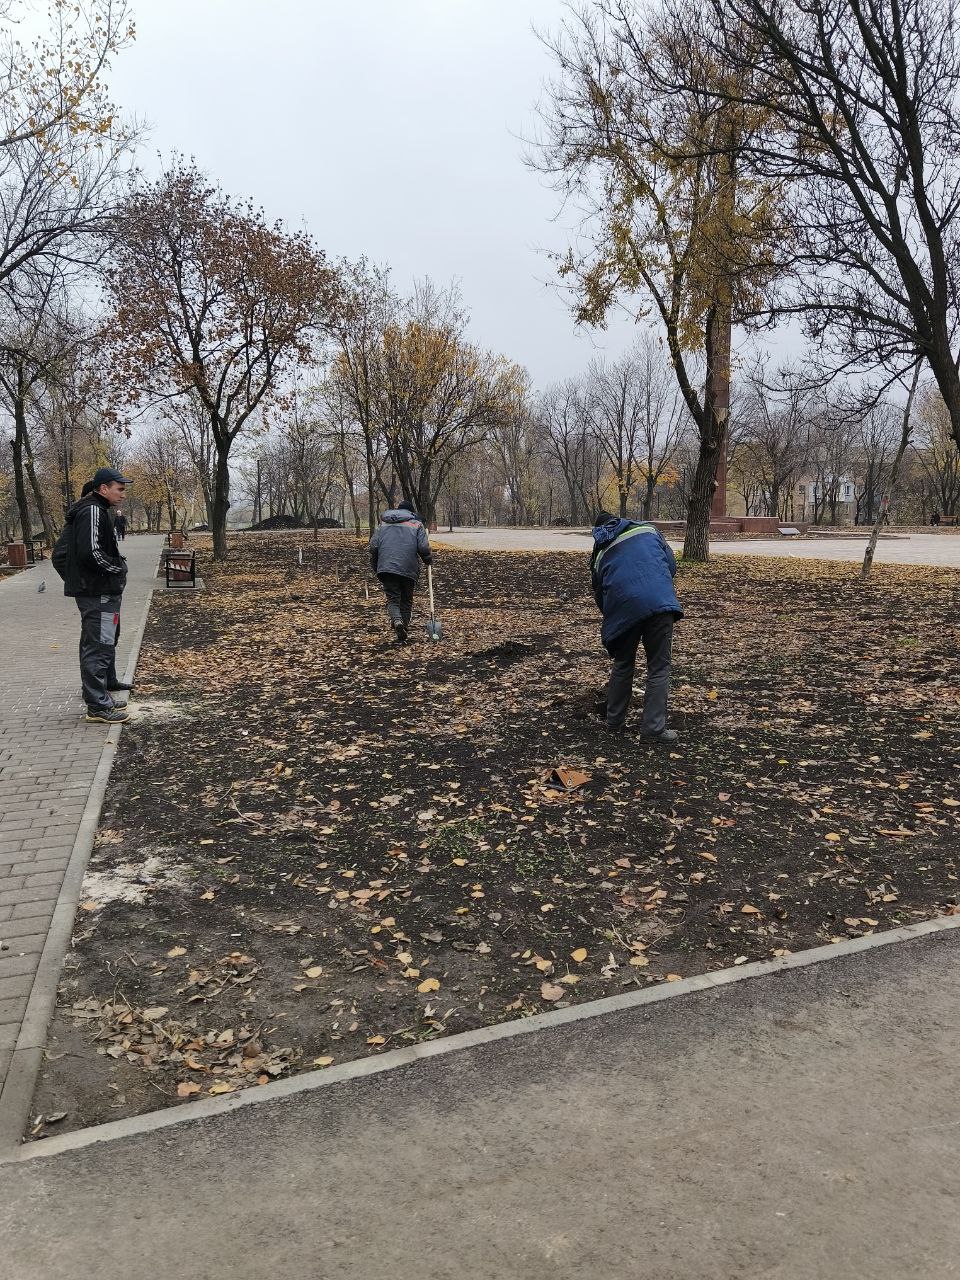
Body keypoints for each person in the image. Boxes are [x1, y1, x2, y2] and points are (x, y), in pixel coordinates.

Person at [589, 510, 683, 741]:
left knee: (623, 663)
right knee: (659, 667)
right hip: (660, 603)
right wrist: (655, 583)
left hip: (624, 610)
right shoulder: (648, 529)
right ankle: (653, 729)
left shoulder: (599, 554)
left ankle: (614, 722)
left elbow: (600, 594)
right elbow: (671, 564)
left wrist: (615, 615)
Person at [56, 467, 133, 723]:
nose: (122, 494)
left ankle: (102, 694)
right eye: (119, 489)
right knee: (98, 645)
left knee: (104, 640)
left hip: (102, 591)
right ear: (103, 488)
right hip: (98, 591)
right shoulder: (91, 511)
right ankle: (98, 706)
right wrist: (118, 569)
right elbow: (91, 554)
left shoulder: (97, 510)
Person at [368, 499, 432, 643]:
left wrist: (377, 564)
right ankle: (404, 625)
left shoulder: (383, 524)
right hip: (408, 566)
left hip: (387, 566)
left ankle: (397, 621)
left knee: (393, 598)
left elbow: (373, 546)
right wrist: (428, 559)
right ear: (411, 512)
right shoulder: (416, 524)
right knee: (407, 599)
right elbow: (423, 548)